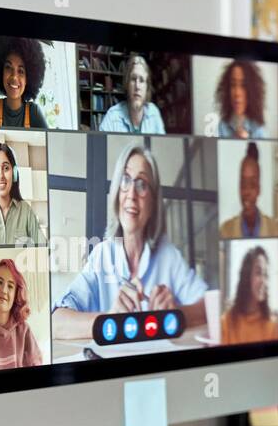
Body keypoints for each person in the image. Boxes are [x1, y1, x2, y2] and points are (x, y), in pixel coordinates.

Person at [51, 140, 208, 340]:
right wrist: (110, 321)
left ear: (153, 201)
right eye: (125, 180)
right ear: (117, 192)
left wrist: (175, 314)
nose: (131, 194)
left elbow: (209, 304)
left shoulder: (168, 256)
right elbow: (56, 322)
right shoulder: (102, 255)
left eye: (142, 184)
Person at [0, 35, 48, 129]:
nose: (14, 77)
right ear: (0, 72)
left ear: (28, 79)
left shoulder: (34, 112)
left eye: (21, 71)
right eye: (8, 67)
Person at [221, 246, 278, 344]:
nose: (264, 281)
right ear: (246, 277)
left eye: (266, 275)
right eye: (259, 273)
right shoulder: (226, 322)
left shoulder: (272, 325)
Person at [219, 142, 278, 238]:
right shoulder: (225, 231)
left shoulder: (276, 230)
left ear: (259, 189)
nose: (246, 192)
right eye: (243, 184)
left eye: (252, 184)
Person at [98, 53, 166, 134]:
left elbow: (162, 146)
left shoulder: (153, 113)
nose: (137, 86)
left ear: (147, 87)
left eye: (142, 80)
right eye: (133, 79)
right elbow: (99, 146)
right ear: (127, 84)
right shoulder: (112, 116)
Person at [215, 59, 267, 138]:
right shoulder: (221, 127)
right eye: (233, 84)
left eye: (243, 85)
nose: (237, 93)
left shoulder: (259, 129)